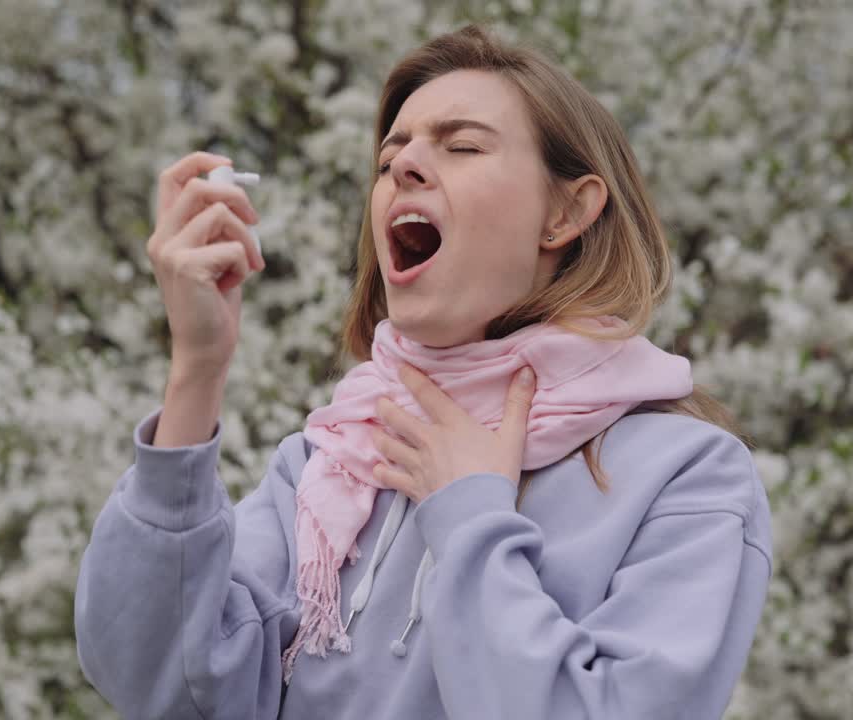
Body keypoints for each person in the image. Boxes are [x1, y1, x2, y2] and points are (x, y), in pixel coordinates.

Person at [74, 24, 772, 720]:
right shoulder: (332, 463)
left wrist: (470, 517)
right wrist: (197, 369)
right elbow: (166, 682)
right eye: (388, 160)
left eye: (462, 146)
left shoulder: (688, 476)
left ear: (566, 212)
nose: (405, 166)